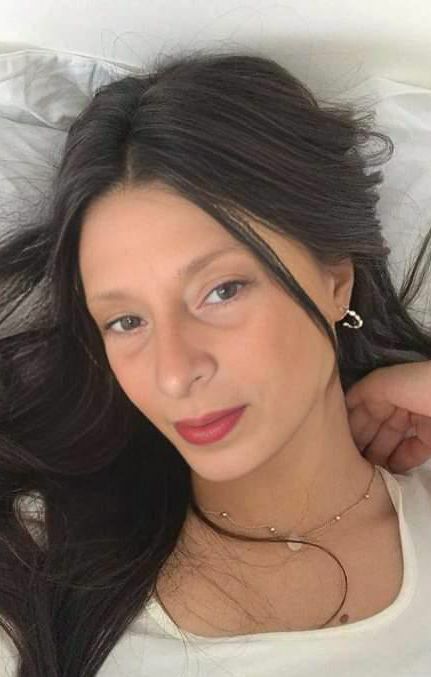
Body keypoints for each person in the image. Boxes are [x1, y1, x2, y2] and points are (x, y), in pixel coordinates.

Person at [1, 49, 431, 677]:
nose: (175, 373)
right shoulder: (33, 563)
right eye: (126, 322)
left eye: (222, 291)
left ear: (336, 279)